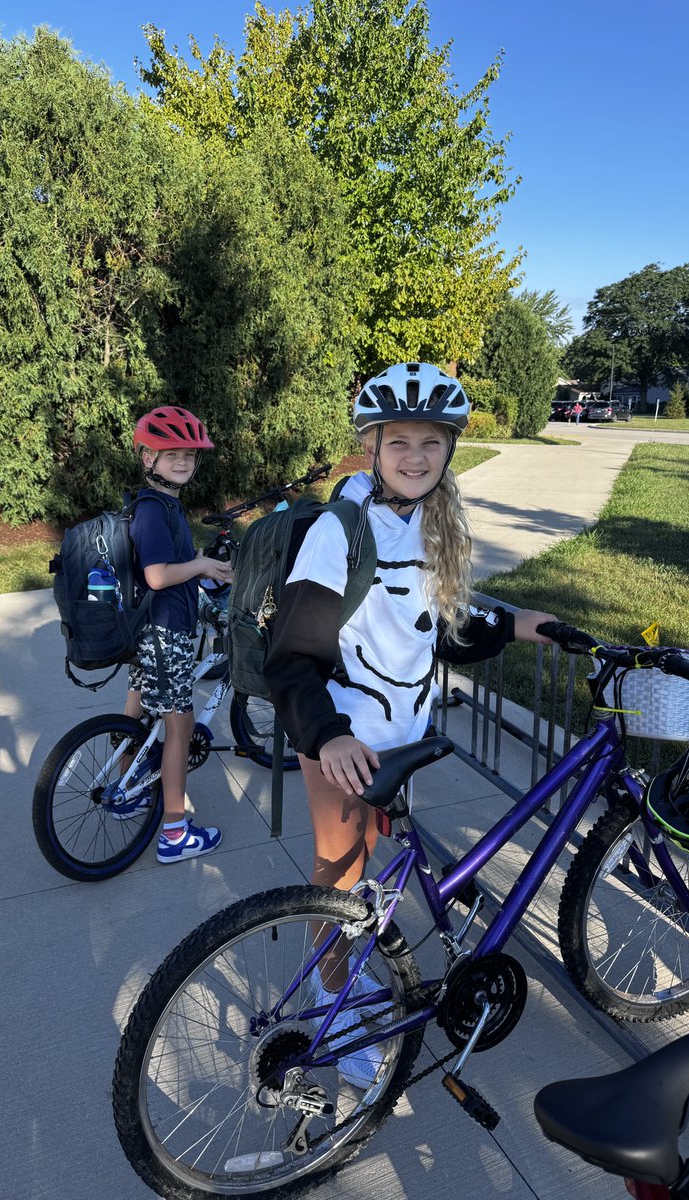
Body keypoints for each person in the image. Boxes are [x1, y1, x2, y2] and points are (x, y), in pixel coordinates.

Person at [263, 362, 556, 1084]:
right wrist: (328, 735)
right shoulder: (344, 528)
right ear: (372, 446)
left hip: (404, 739)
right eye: (400, 441)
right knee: (337, 876)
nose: (416, 456)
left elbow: (442, 627)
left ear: (449, 449)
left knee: (366, 878)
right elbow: (292, 653)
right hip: (344, 738)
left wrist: (531, 627)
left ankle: (356, 976)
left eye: (431, 441)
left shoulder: (432, 523)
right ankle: (335, 1013)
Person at [124, 405, 234, 863]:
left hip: (150, 627)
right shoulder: (153, 509)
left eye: (189, 454)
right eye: (171, 453)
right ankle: (174, 831)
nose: (183, 461)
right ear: (148, 458)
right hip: (165, 632)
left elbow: (176, 572)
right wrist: (206, 565)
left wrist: (206, 586)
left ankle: (127, 786)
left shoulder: (160, 503)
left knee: (138, 701)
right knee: (179, 726)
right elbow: (156, 575)